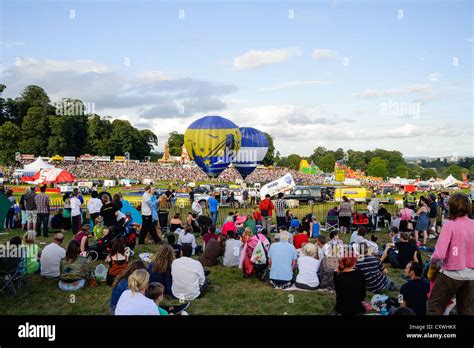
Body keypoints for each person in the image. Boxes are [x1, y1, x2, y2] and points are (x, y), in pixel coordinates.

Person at [427, 193, 474, 315]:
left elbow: (440, 254)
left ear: (451, 207)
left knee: (434, 308)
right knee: (466, 311)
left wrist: (432, 263)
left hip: (451, 273)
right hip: (471, 275)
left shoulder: (450, 225)